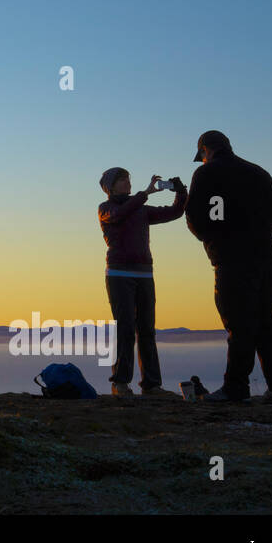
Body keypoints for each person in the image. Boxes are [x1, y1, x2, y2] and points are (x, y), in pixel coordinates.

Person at [185, 130, 272, 405]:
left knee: (239, 326)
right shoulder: (258, 172)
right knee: (268, 322)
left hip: (232, 261)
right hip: (269, 259)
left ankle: (236, 388)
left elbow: (195, 217)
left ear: (206, 151)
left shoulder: (206, 174)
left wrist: (215, 237)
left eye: (202, 156)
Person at [98, 166, 188, 397]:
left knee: (147, 330)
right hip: (119, 275)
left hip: (145, 274)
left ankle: (152, 385)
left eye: (128, 178)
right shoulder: (106, 208)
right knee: (126, 329)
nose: (127, 182)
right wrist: (144, 193)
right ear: (110, 186)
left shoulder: (140, 209)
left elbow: (174, 213)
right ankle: (120, 384)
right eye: (122, 180)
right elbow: (119, 215)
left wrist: (181, 192)